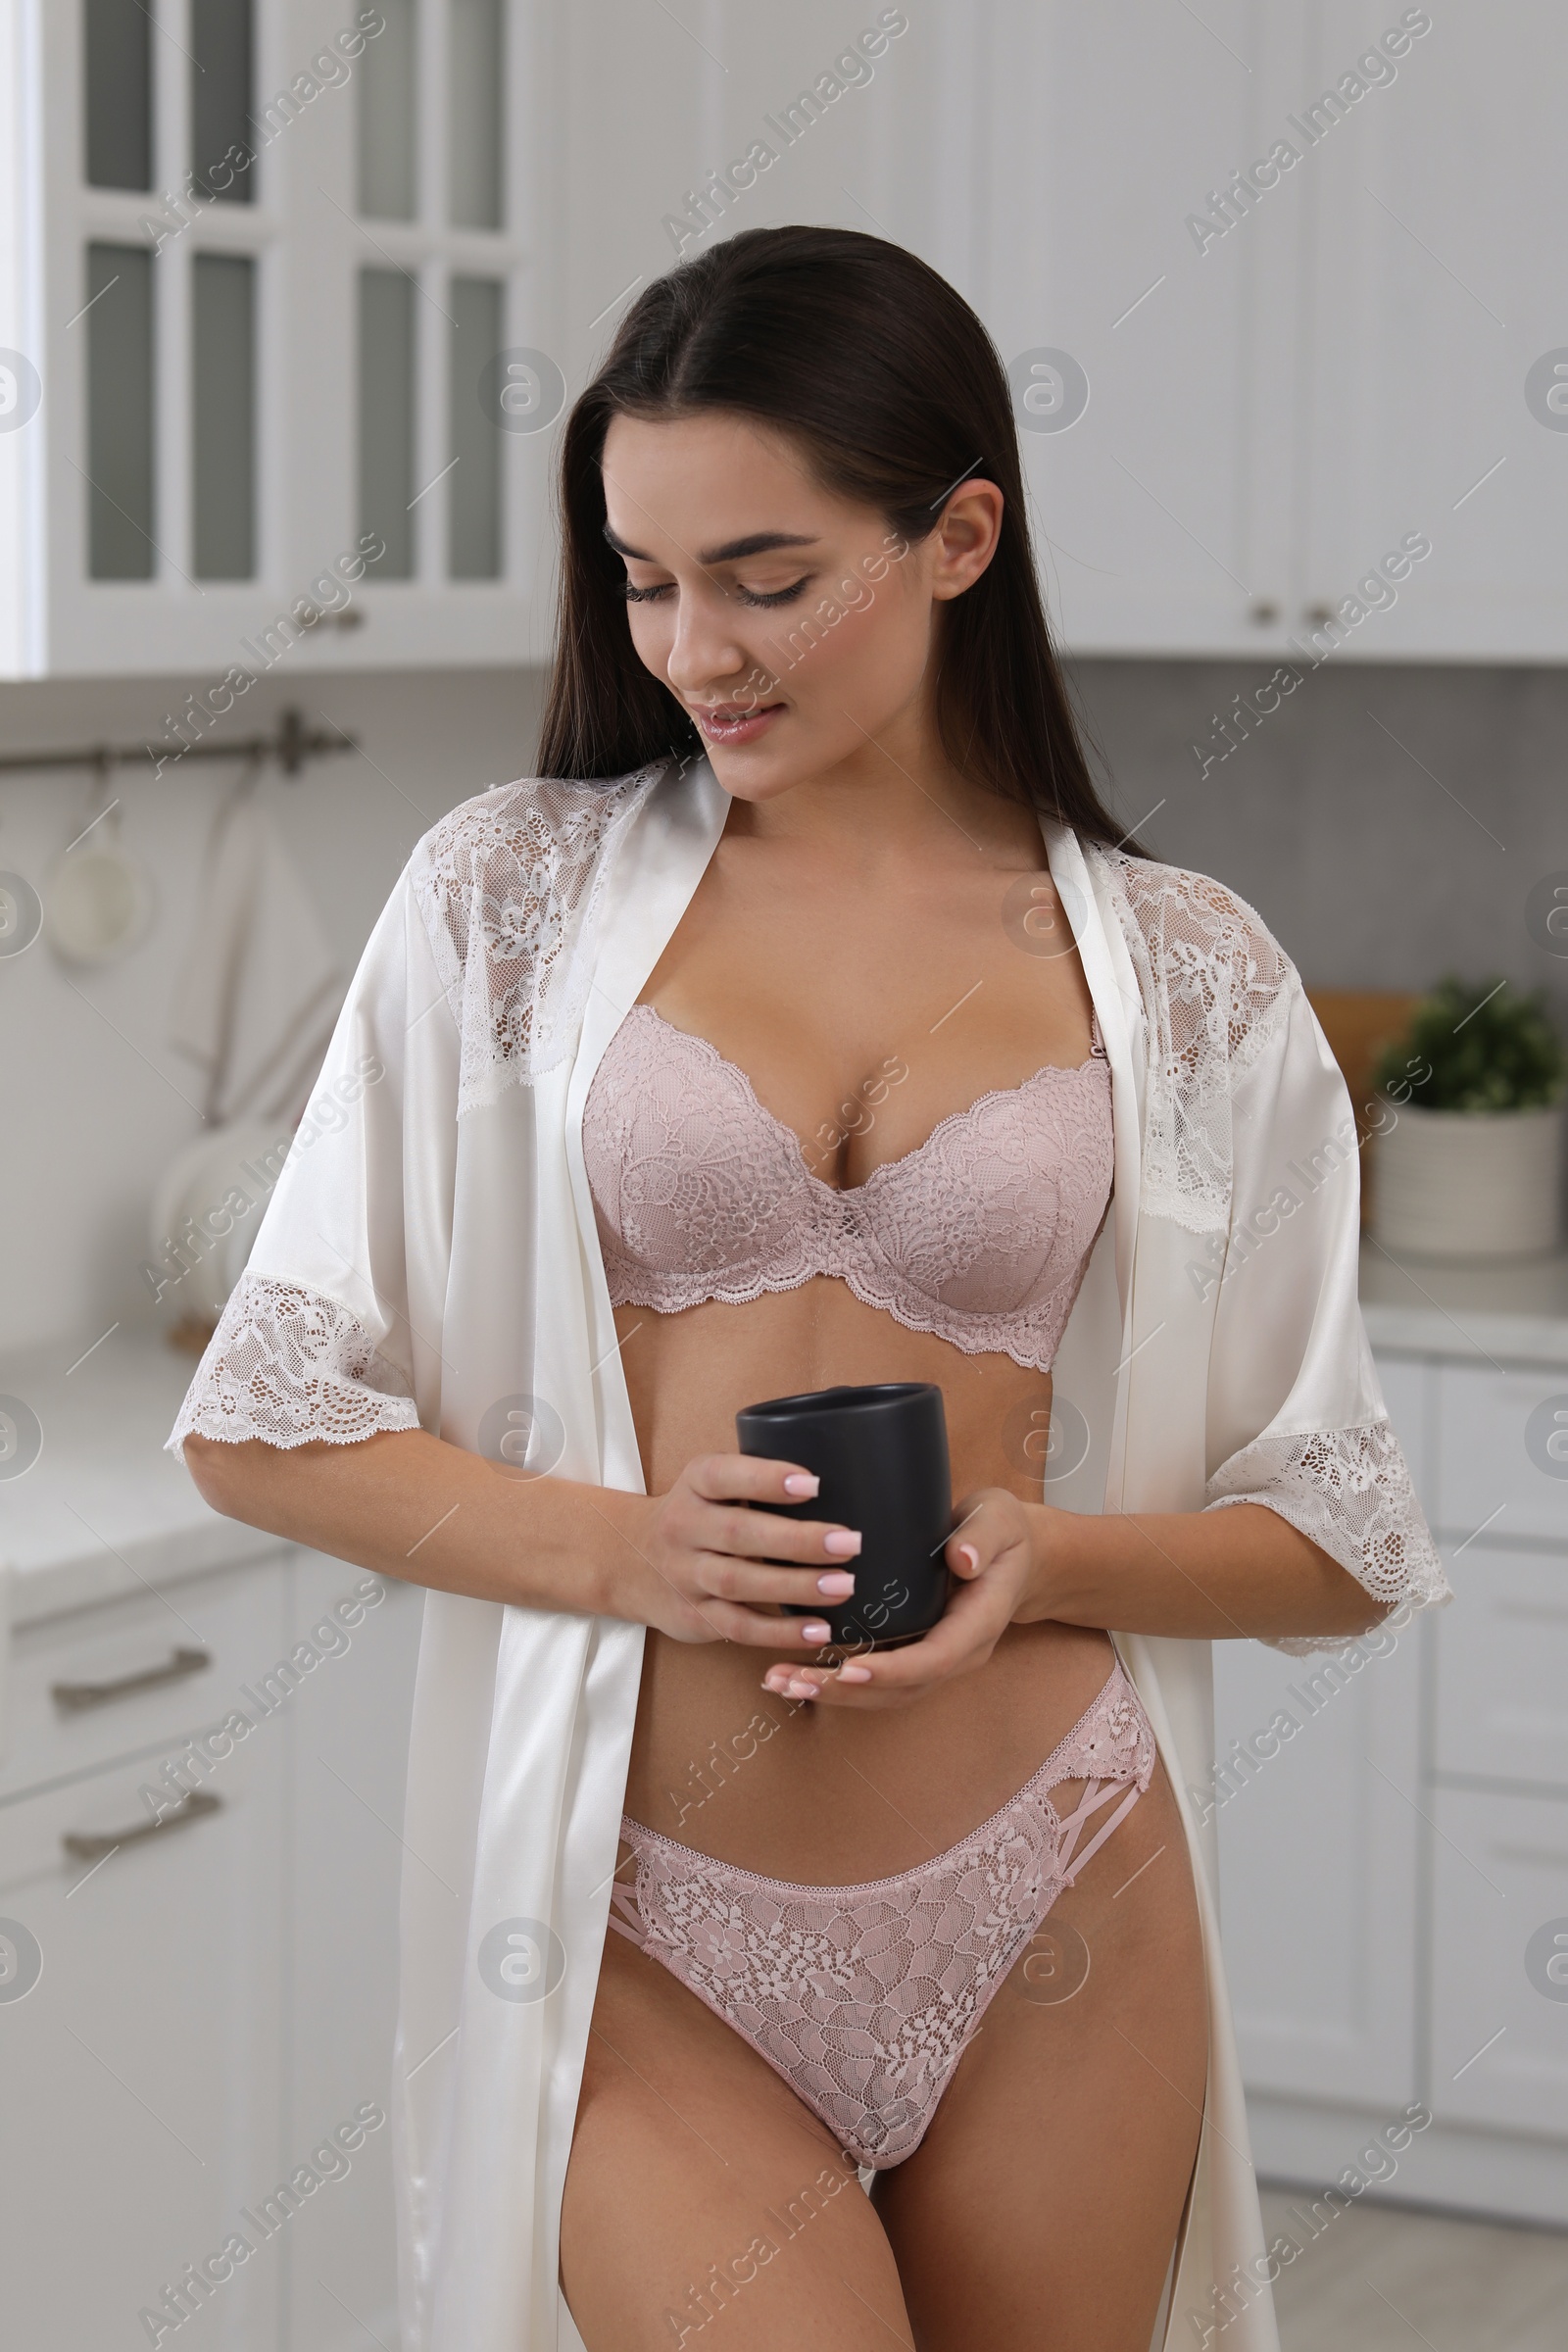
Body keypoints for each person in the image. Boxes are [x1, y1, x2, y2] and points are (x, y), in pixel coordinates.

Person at [171, 225, 1449, 2352]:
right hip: (637, 1911)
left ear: (955, 538)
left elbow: (1333, 1533)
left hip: (1056, 1881)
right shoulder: (507, 897)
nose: (693, 647)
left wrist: (1046, 1564)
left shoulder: (1186, 973)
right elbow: (261, 1423)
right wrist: (625, 1552)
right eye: (642, 578)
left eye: (764, 577)